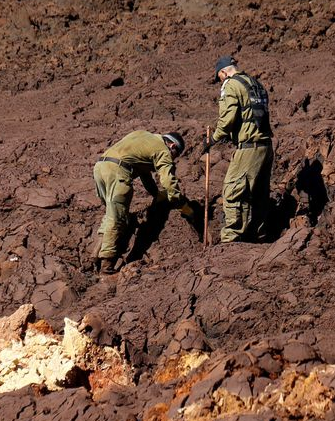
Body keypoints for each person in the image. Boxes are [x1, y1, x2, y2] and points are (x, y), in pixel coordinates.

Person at [93, 130, 192, 274]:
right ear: (171, 145)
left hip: (100, 168)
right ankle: (106, 266)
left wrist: (156, 195)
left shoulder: (143, 137)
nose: (173, 158)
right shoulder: (163, 150)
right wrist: (180, 203)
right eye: (175, 155)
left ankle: (95, 256)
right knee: (117, 219)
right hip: (117, 173)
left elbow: (145, 176)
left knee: (110, 214)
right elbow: (168, 182)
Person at [203, 55, 273, 242]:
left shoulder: (231, 84)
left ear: (224, 72)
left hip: (249, 148)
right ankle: (258, 234)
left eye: (219, 77)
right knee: (259, 193)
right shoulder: (254, 83)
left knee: (233, 190)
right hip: (265, 147)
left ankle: (232, 238)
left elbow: (227, 119)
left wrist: (213, 139)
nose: (220, 80)